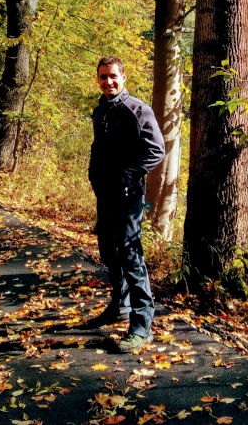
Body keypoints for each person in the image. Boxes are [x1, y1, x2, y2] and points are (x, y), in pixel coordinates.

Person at [85, 55, 165, 353]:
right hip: (105, 194)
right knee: (109, 251)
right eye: (103, 76)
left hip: (130, 197)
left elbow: (156, 150)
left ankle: (142, 325)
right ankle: (120, 305)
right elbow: (98, 147)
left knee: (131, 256)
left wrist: (128, 176)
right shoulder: (100, 111)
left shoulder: (138, 110)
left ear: (123, 77)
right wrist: (94, 174)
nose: (108, 81)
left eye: (113, 76)